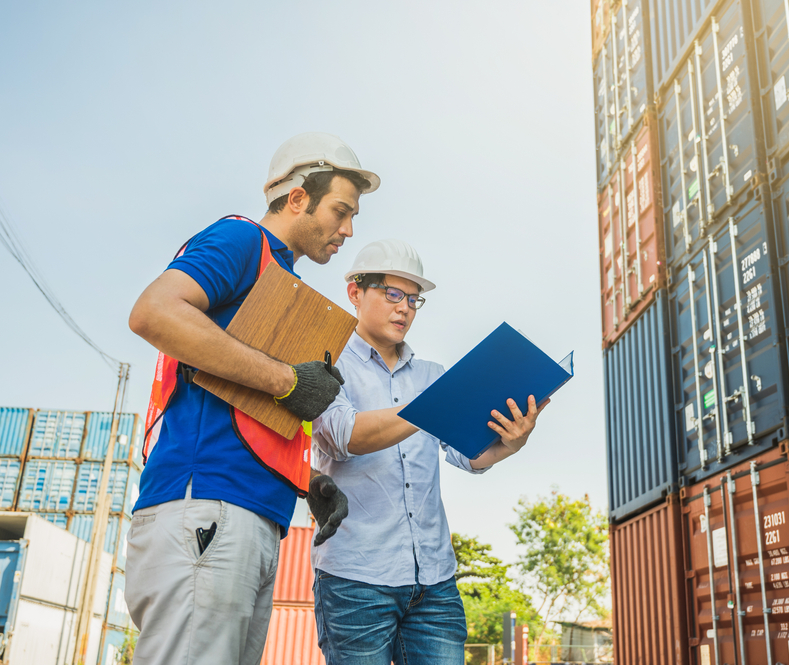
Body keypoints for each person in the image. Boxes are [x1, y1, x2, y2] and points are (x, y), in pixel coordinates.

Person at [124, 132, 379, 665]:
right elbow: (155, 312)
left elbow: (236, 407)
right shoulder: (242, 241)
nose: (348, 230)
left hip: (250, 517)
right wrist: (287, 381)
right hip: (207, 506)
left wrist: (304, 481)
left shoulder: (281, 285)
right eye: (340, 210)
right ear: (296, 198)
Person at [310, 239, 547, 664]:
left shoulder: (433, 376)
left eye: (414, 300)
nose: (405, 308)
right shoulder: (327, 363)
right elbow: (345, 436)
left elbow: (469, 456)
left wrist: (512, 442)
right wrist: (430, 406)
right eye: (393, 294)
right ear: (355, 293)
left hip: (435, 586)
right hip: (355, 582)